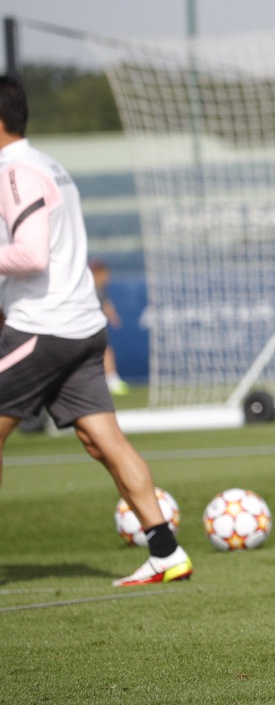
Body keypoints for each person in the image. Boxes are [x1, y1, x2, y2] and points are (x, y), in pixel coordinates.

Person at [0, 75, 191, 586]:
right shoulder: (50, 165)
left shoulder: (15, 171)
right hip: (81, 326)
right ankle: (166, 551)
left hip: (45, 327)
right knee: (101, 438)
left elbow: (31, 254)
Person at [89, 259, 130, 396]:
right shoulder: (87, 288)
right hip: (86, 328)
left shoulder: (101, 290)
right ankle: (111, 380)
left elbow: (106, 304)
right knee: (104, 351)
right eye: (105, 274)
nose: (107, 277)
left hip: (97, 328)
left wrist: (113, 316)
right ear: (97, 273)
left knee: (105, 350)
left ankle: (111, 379)